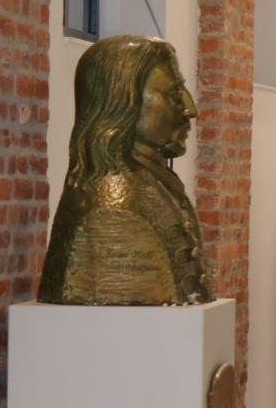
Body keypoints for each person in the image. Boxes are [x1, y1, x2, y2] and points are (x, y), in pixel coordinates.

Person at [39, 35, 212, 305]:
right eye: (173, 94)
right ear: (123, 102)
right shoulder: (113, 209)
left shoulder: (154, 182)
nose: (190, 109)